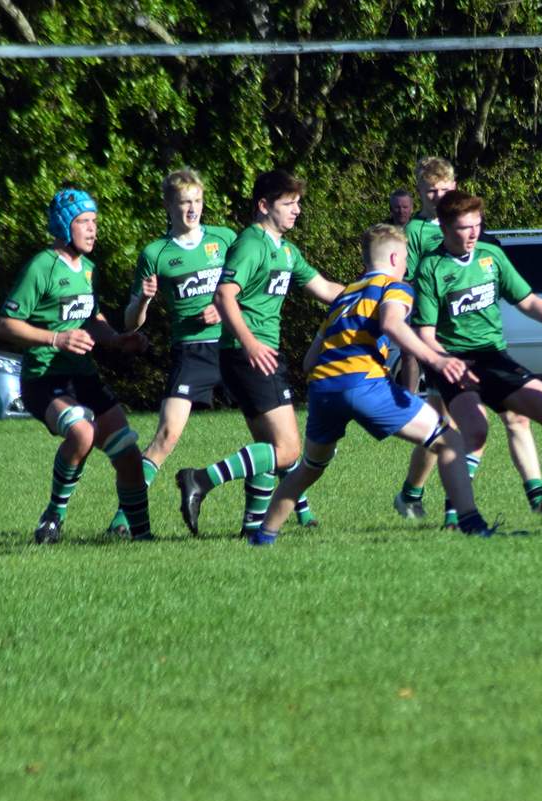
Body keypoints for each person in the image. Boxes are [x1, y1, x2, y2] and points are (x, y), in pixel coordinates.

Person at [252, 224, 499, 542]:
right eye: (406, 257)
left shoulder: (345, 296)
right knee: (449, 440)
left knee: (309, 467)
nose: (406, 263)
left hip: (323, 389)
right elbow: (392, 324)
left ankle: (264, 535)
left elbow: (309, 361)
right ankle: (471, 523)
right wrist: (436, 360)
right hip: (365, 384)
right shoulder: (394, 287)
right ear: (395, 257)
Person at [410, 190, 542, 522]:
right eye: (464, 228)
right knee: (475, 431)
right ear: (446, 228)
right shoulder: (431, 268)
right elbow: (425, 333)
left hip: (494, 359)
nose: (473, 233)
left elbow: (527, 300)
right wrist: (443, 361)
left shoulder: (491, 256)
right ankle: (458, 515)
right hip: (454, 361)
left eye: (477, 225)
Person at [174, 169, 344, 537]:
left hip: (258, 354)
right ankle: (200, 479)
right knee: (288, 450)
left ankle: (252, 528)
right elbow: (224, 295)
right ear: (264, 206)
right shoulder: (251, 244)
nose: (297, 210)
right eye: (288, 203)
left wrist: (375, 291)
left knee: (269, 447)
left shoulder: (287, 251)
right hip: (248, 354)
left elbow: (327, 290)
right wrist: (250, 343)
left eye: (298, 203)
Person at [0, 188, 152, 544]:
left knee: (128, 453)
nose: (92, 229)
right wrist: (57, 338)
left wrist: (118, 339)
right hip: (43, 378)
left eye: (94, 221)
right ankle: (54, 516)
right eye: (83, 221)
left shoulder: (90, 270)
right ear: (64, 226)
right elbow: (4, 325)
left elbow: (92, 319)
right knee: (82, 432)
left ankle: (143, 537)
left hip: (83, 377)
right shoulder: (41, 267)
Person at [391, 157, 541, 526]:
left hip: (478, 341)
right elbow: (409, 282)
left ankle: (415, 494)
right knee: (453, 428)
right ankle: (450, 507)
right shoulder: (415, 233)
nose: (438, 196)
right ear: (420, 193)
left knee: (452, 427)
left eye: (444, 189)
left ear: (455, 186)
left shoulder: (466, 220)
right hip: (440, 343)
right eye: (431, 191)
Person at [105, 169, 239, 536]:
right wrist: (144, 300)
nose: (192, 209)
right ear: (168, 206)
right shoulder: (156, 253)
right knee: (166, 436)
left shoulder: (225, 239)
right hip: (190, 353)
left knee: (270, 427)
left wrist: (224, 307)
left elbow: (250, 285)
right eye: (184, 203)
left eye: (197, 201)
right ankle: (124, 519)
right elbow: (130, 323)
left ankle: (300, 511)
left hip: (231, 347)